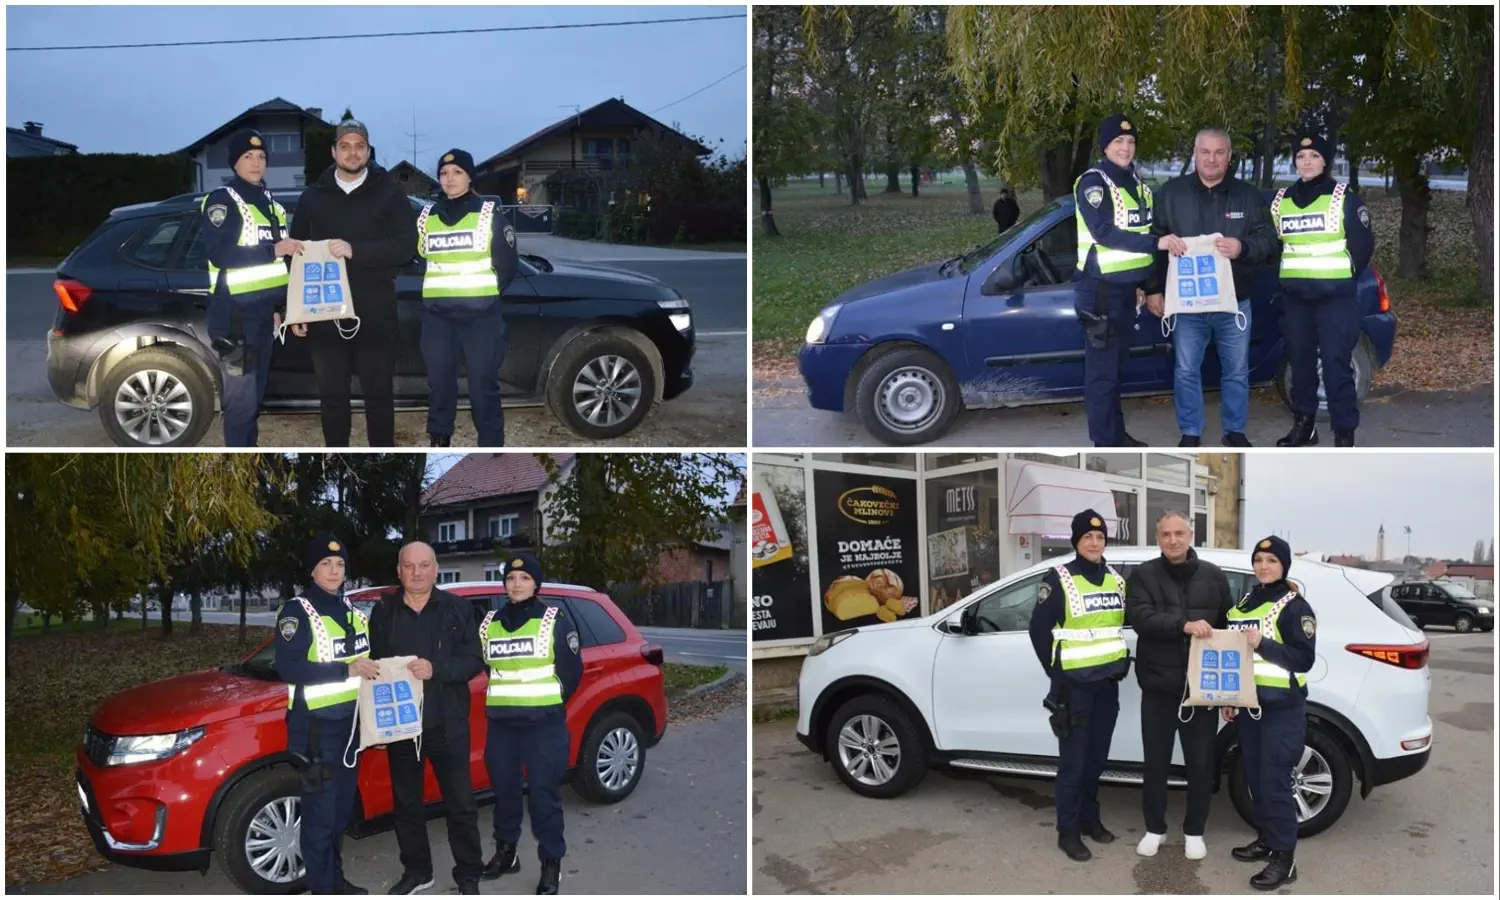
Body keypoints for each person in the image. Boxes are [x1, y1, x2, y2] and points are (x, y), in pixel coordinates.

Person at [1145, 129, 1280, 448]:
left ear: (1230, 155)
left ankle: (1234, 430)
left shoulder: (1248, 196)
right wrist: (1152, 289)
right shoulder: (1171, 193)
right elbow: (1152, 241)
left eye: (1219, 152)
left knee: (1236, 372)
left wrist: (1242, 247)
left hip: (1233, 304)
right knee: (1186, 371)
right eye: (1205, 152)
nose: (1211, 159)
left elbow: (1269, 243)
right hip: (1187, 307)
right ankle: (1190, 432)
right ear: (1195, 153)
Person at [288, 119, 418, 447]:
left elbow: (405, 247)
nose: (352, 152)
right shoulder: (312, 198)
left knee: (378, 395)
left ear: (369, 151)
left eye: (359, 146)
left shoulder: (389, 193)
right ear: (333, 151)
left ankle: (382, 454)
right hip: (324, 312)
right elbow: (295, 255)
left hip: (375, 309)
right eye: (345, 146)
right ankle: (337, 453)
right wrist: (294, 310)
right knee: (332, 395)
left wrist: (355, 250)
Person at [369, 542, 487, 895]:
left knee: (461, 804)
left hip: (447, 725)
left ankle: (468, 874)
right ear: (398, 571)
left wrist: (437, 668)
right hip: (402, 726)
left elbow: (473, 661)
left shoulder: (458, 610)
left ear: (436, 569)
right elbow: (373, 668)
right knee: (406, 805)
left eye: (424, 565)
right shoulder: (384, 613)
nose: (416, 573)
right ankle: (418, 871)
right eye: (409, 566)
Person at [1124, 511, 1235, 861]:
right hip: (1158, 687)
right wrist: (1184, 625)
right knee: (1155, 763)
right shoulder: (1143, 575)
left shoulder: (1214, 576)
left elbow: (1229, 628)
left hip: (1202, 690)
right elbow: (1140, 619)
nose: (1172, 540)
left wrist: (1231, 692)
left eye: (1179, 533)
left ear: (1191, 534)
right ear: (1158, 538)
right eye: (1165, 534)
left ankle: (1194, 831)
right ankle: (1154, 829)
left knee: (1200, 765)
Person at [275, 533, 378, 895]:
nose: (334, 570)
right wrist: (345, 670)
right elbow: (289, 668)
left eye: (339, 564)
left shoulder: (353, 613)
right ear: (312, 570)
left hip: (351, 730)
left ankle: (335, 882)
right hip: (317, 732)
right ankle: (323, 889)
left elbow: (368, 666)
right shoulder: (296, 612)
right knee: (319, 821)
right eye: (326, 564)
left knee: (338, 817)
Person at [1029, 510, 1129, 862]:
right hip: (1073, 689)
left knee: (1096, 761)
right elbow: (1038, 631)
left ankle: (1090, 820)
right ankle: (1067, 832)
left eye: (1099, 537)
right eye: (1087, 537)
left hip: (1106, 686)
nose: (1094, 542)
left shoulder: (1116, 580)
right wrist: (1057, 675)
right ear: (1076, 541)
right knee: (1073, 764)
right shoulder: (1058, 578)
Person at [480, 553, 582, 894]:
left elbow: (571, 670)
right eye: (511, 578)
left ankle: (552, 864)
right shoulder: (490, 622)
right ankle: (506, 853)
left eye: (524, 579)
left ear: (535, 583)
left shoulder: (554, 618)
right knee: (505, 794)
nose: (516, 584)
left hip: (543, 726)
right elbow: (490, 669)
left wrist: (546, 705)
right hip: (502, 726)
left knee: (543, 797)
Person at [1074, 113, 1174, 447]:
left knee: (1115, 373)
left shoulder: (1139, 187)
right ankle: (1105, 443)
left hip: (1127, 293)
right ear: (1105, 145)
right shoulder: (1093, 182)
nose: (1126, 147)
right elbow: (1103, 233)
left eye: (1130, 142)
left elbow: (1145, 238)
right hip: (1100, 291)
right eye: (1119, 141)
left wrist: (1149, 286)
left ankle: (1117, 436)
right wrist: (1156, 244)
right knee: (1102, 376)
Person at [1224, 535, 1317, 890]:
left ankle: (1284, 859)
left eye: (1271, 561)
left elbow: (1302, 657)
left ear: (1284, 566)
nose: (1264, 566)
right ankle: (1266, 839)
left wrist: (1263, 643)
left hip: (1281, 709)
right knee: (1257, 781)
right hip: (1250, 707)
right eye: (1259, 560)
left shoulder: (1295, 607)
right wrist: (1231, 697)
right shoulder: (1250, 598)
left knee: (1276, 783)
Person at [1271, 133, 1374, 448]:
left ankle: (1344, 433)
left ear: (1325, 161)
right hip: (1296, 300)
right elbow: (1279, 246)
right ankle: (1305, 427)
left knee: (1335, 366)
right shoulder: (1281, 201)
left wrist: (1339, 279)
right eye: (1301, 157)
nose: (1306, 162)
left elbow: (1363, 246)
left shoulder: (1344, 197)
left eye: (1314, 156)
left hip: (1334, 299)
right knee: (1300, 366)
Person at [201, 129, 301, 446]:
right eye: (248, 157)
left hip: (262, 316)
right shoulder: (222, 201)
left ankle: (249, 453)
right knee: (241, 405)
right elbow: (220, 253)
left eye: (261, 157)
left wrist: (279, 307)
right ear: (234, 163)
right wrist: (274, 249)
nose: (256, 163)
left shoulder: (271, 204)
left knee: (253, 400)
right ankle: (239, 463)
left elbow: (276, 269)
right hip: (234, 319)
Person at [417, 148, 520, 447]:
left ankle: (491, 443)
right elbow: (425, 261)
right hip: (438, 318)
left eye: (457, 172)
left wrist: (481, 297)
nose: (449, 179)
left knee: (482, 386)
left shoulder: (489, 215)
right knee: (439, 384)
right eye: (444, 173)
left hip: (481, 319)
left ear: (470, 176)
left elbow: (507, 266)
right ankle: (439, 438)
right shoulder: (426, 217)